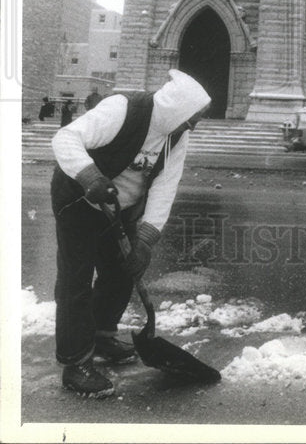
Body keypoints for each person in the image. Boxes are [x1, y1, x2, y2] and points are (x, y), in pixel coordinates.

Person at [50, 69, 211, 399]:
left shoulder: (176, 135)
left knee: (121, 271)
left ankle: (101, 334)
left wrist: (146, 241)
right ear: (176, 109)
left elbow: (165, 186)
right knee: (75, 279)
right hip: (80, 198)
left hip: (118, 208)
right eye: (193, 117)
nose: (194, 125)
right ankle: (75, 363)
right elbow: (65, 138)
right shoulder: (123, 109)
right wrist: (90, 176)